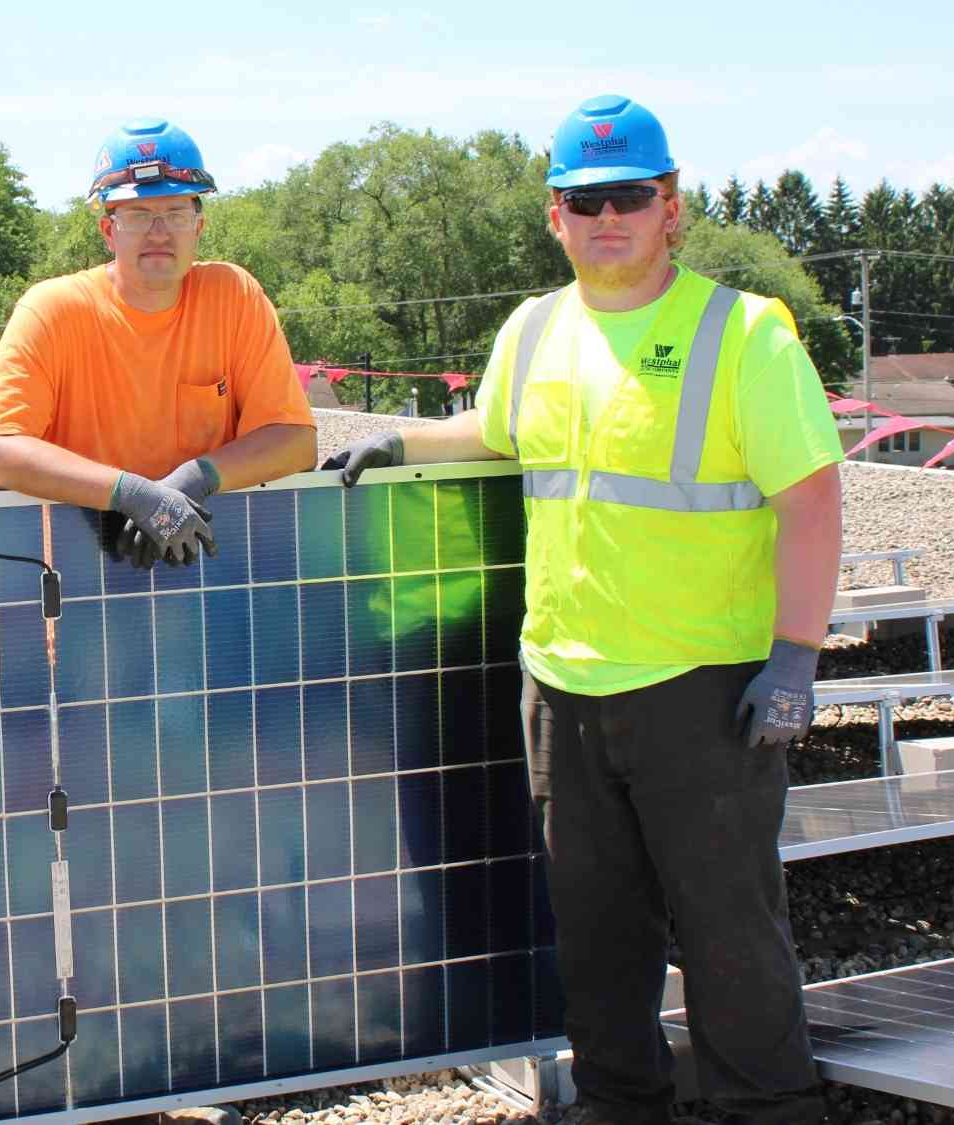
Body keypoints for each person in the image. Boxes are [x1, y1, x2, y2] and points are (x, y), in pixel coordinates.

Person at [326, 94, 840, 1125]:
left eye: (627, 196)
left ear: (669, 207)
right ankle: (620, 1110)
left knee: (726, 936)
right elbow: (499, 431)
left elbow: (811, 498)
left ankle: (768, 1111)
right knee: (597, 941)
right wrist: (401, 441)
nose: (606, 217)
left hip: (705, 690)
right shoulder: (535, 328)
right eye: (580, 199)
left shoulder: (742, 334)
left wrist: (793, 658)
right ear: (552, 215)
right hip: (562, 686)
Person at [0, 118, 317, 567]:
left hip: (211, 559)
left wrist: (194, 478)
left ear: (199, 227)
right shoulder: (51, 310)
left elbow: (294, 441)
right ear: (109, 231)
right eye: (138, 215)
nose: (159, 232)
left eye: (175, 214)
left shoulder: (234, 297)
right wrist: (130, 493)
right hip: (78, 563)